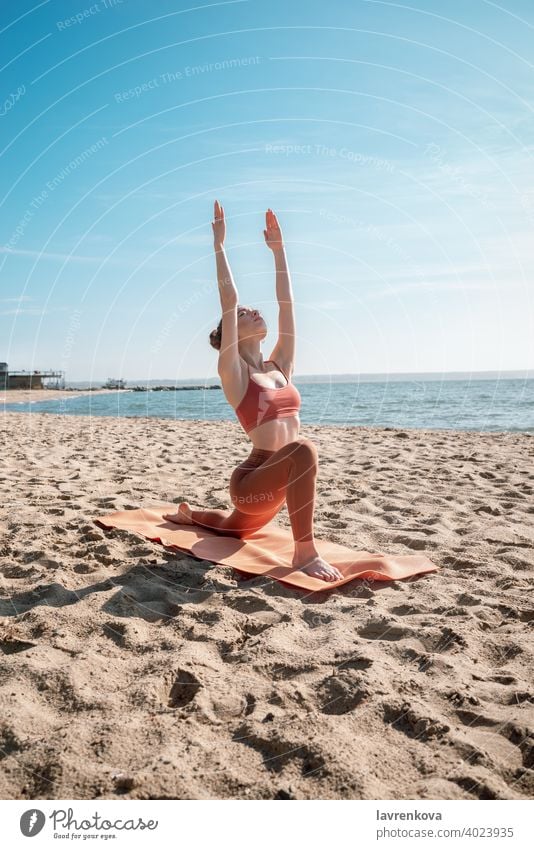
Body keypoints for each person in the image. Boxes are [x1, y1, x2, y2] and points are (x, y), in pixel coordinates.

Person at [164, 201, 343, 582]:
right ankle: (304, 553)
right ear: (232, 332)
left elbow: (287, 303)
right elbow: (228, 300)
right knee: (304, 448)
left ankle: (190, 514)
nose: (254, 312)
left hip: (279, 481)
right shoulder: (235, 373)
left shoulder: (280, 365)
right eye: (246, 314)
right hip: (254, 478)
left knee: (234, 528)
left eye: (253, 310)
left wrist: (279, 252)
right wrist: (219, 245)